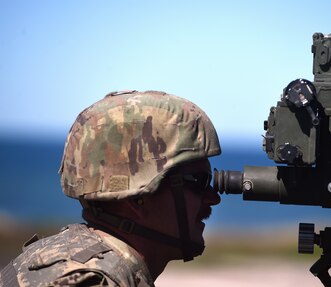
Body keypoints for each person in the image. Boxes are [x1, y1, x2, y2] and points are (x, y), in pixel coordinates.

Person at [0, 90, 222, 286]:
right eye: (197, 182)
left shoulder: (52, 256)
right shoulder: (91, 280)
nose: (213, 198)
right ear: (137, 197)